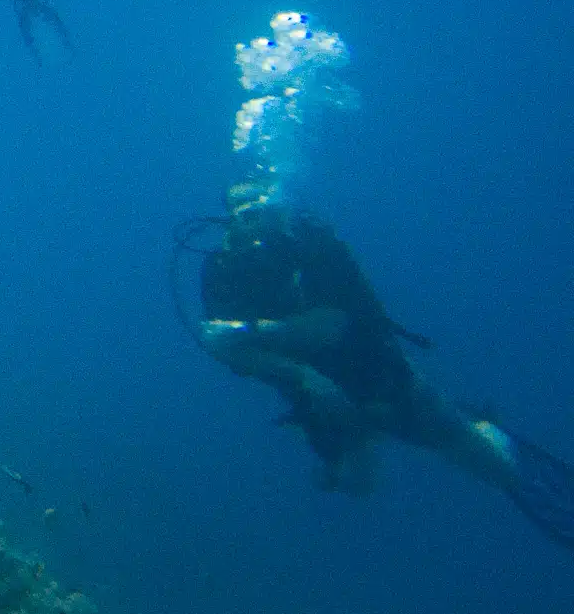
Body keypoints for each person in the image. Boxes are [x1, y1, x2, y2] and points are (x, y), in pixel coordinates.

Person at [196, 182, 574, 549]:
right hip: (318, 395)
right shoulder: (223, 269)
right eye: (239, 214)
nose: (248, 222)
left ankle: (482, 431)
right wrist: (301, 373)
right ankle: (369, 436)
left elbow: (328, 327)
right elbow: (225, 351)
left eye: (257, 211)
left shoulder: (316, 248)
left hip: (376, 373)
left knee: (490, 463)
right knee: (356, 485)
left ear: (276, 210)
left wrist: (251, 330)